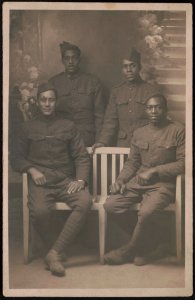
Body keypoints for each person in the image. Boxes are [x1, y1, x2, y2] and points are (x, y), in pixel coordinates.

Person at [11, 82, 92, 277]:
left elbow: (81, 156)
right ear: (37, 102)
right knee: (39, 212)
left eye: (51, 100)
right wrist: (31, 170)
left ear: (56, 102)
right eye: (43, 100)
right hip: (41, 181)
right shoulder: (27, 127)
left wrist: (80, 180)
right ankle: (55, 249)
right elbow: (16, 156)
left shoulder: (69, 126)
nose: (47, 104)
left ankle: (53, 253)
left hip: (65, 180)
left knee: (85, 201)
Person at [103, 94, 185, 265]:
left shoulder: (178, 130)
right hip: (138, 183)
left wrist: (155, 171)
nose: (154, 111)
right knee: (111, 205)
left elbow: (185, 163)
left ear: (165, 109)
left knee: (146, 212)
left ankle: (127, 251)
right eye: (150, 107)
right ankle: (152, 244)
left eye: (158, 107)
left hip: (163, 185)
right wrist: (120, 180)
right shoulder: (139, 133)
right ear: (146, 110)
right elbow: (132, 163)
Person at [92, 48, 160, 149]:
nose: (129, 70)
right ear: (122, 69)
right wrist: (103, 142)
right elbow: (110, 121)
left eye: (133, 65)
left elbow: (157, 121)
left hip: (144, 144)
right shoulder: (116, 92)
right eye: (125, 66)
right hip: (122, 145)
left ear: (139, 67)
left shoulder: (151, 91)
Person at [49, 41, 105, 147]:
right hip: (61, 138)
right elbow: (49, 115)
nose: (71, 61)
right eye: (67, 58)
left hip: (87, 139)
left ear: (79, 60)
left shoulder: (93, 82)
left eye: (74, 58)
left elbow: (100, 115)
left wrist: (99, 141)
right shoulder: (54, 83)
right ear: (62, 61)